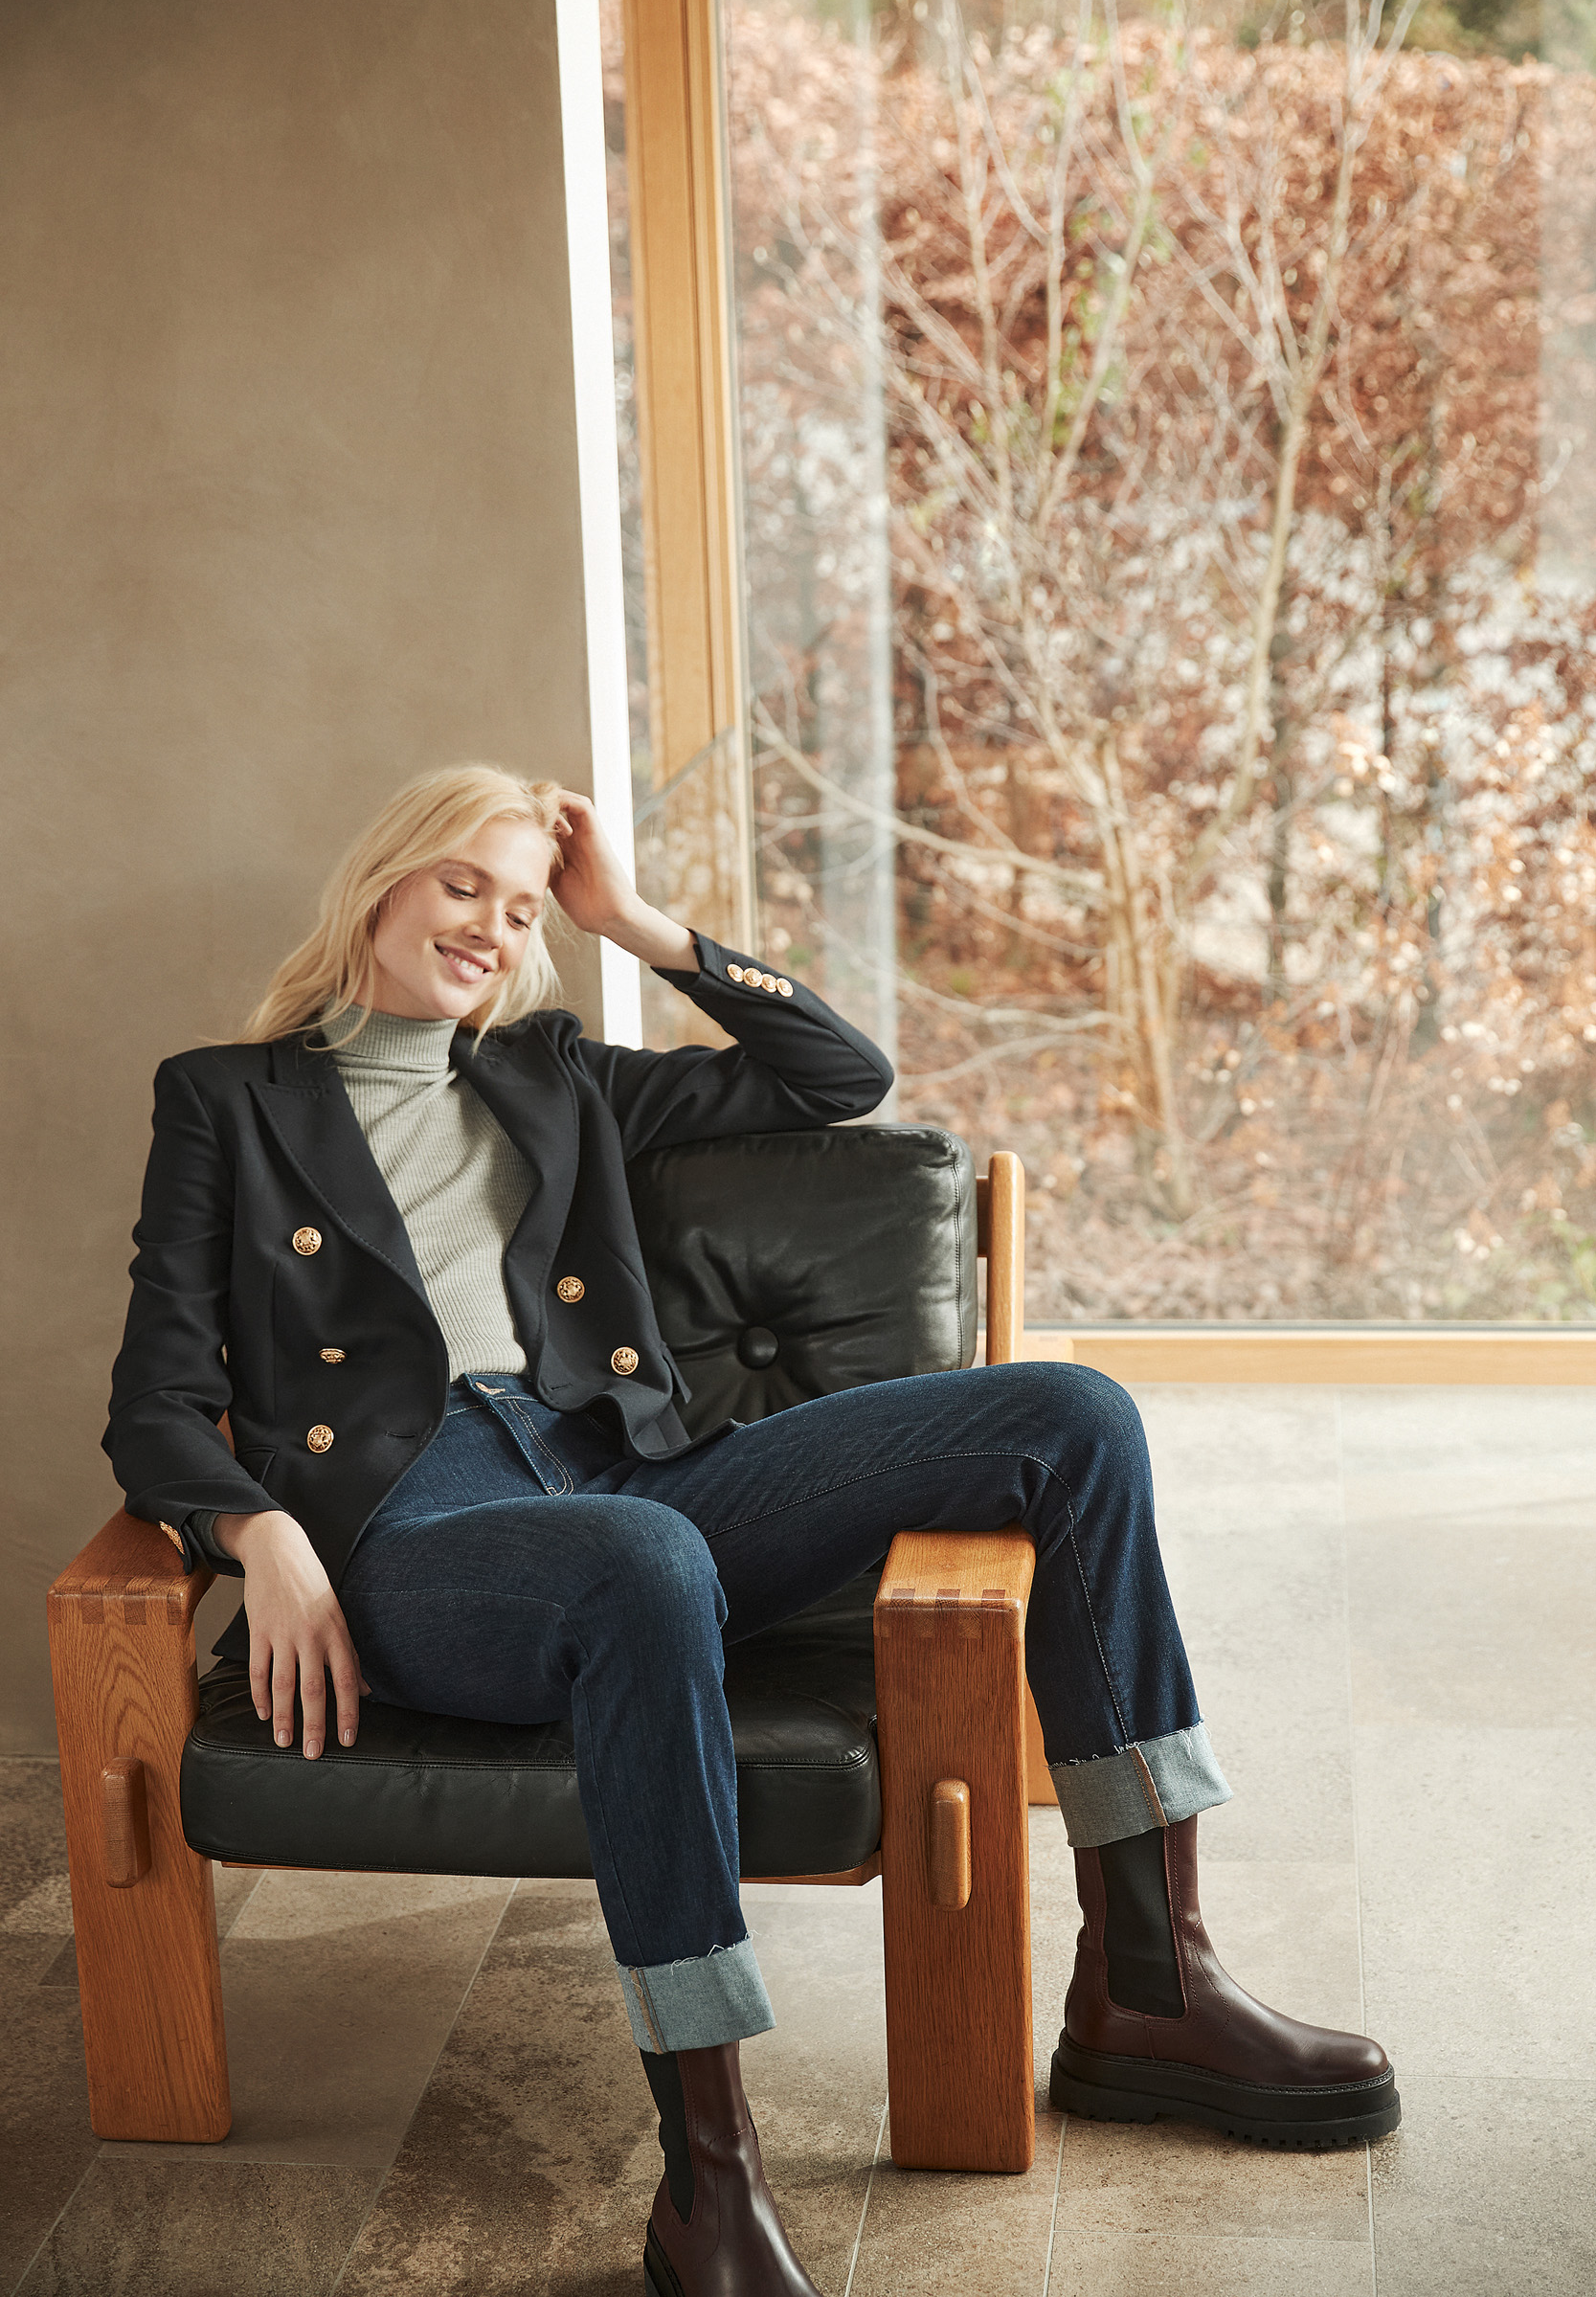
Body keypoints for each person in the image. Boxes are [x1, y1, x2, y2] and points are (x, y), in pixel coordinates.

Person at [106, 763, 1398, 2297]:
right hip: (416, 1536)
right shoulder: (226, 1100)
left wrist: (635, 922)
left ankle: (1149, 1985)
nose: (491, 927)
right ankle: (709, 2180)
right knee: (641, 1560)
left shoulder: (553, 1072)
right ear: (383, 879)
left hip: (625, 1476)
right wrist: (258, 1532)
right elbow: (155, 1400)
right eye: (463, 885)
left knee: (1072, 1414)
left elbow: (841, 1077)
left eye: (519, 908)